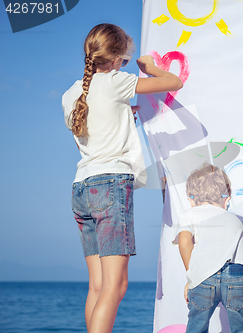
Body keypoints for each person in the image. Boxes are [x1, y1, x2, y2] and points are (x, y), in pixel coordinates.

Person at [62, 23, 183, 333]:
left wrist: (123, 116)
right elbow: (174, 82)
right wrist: (150, 67)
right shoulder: (116, 82)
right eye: (127, 60)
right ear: (116, 58)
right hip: (111, 185)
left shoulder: (71, 94)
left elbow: (98, 128)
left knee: (97, 286)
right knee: (115, 287)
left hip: (81, 188)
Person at [173, 163, 243, 333]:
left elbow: (185, 243)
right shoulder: (233, 219)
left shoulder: (189, 214)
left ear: (191, 199)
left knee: (197, 326)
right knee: (242, 328)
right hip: (238, 273)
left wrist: (191, 276)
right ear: (226, 198)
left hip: (204, 277)